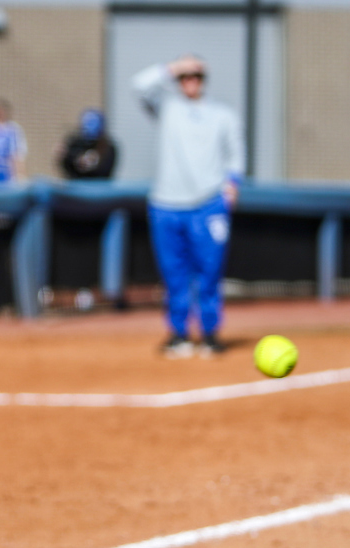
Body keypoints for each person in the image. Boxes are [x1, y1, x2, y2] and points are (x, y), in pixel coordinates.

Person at [132, 53, 244, 358]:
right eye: (184, 76)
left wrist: (231, 186)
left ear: (204, 81)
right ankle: (178, 334)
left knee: (209, 272)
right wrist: (174, 66)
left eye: (195, 75)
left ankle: (210, 333)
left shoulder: (223, 115)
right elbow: (139, 85)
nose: (190, 81)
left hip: (208, 203)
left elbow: (235, 156)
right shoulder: (168, 108)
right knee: (174, 274)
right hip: (166, 204)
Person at [57, 108, 117, 179]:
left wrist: (91, 163)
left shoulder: (108, 148)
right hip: (77, 187)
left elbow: (104, 172)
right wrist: (65, 157)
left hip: (98, 188)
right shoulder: (76, 143)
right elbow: (69, 170)